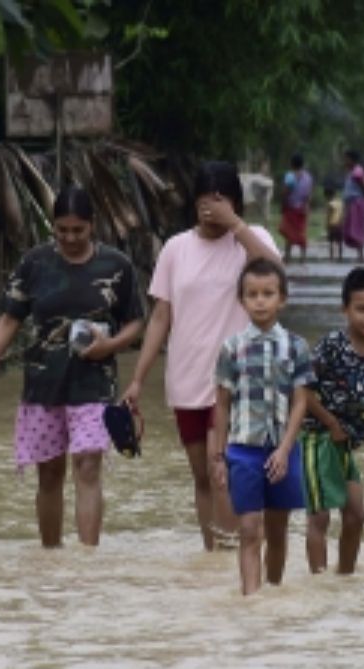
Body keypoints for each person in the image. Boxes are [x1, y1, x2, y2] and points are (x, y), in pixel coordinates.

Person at [0, 187, 144, 548]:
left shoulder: (117, 266)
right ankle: (51, 559)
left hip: (96, 385)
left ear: (92, 226)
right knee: (49, 474)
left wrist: (111, 346)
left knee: (88, 466)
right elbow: (8, 320)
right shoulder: (34, 264)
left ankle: (87, 560)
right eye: (61, 230)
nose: (70, 238)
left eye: (78, 230)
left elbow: (136, 321)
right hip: (43, 385)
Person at [123, 161, 284, 551]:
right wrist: (138, 379)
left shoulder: (251, 240)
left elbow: (277, 276)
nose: (212, 212)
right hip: (187, 377)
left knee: (227, 472)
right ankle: (213, 557)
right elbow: (161, 316)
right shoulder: (176, 249)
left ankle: (238, 554)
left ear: (235, 204)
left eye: (221, 203)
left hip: (241, 379)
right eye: (205, 204)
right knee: (201, 476)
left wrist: (236, 226)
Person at [210, 259, 314, 595]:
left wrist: (285, 449)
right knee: (249, 529)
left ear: (282, 299)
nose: (260, 301)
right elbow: (222, 403)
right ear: (241, 300)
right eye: (252, 294)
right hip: (242, 449)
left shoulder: (297, 347)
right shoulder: (231, 348)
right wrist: (218, 455)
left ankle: (272, 591)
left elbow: (301, 401)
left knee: (278, 530)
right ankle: (251, 601)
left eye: (268, 293)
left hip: (283, 448)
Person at [300, 267, 364, 575]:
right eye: (361, 309)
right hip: (315, 440)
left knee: (356, 516)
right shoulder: (332, 346)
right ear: (345, 310)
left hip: (343, 446)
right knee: (320, 518)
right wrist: (330, 423)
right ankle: (319, 582)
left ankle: (344, 578)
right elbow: (302, 391)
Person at [278, 154, 313, 263]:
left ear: (292, 164)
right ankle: (303, 257)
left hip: (291, 208)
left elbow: (285, 192)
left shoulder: (290, 176)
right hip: (302, 209)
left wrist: (283, 204)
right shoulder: (308, 177)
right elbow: (308, 194)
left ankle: (288, 256)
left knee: (288, 232)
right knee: (301, 231)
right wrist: (307, 206)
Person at [341, 150, 364, 261]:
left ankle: (361, 255)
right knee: (353, 228)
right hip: (352, 202)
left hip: (357, 203)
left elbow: (363, 186)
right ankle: (359, 254)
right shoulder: (351, 172)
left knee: (358, 228)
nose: (345, 161)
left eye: (346, 159)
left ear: (352, 159)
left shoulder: (357, 171)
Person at [325, 187, 344, 261]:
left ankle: (331, 257)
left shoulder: (329, 204)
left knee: (331, 242)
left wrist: (327, 225)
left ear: (327, 196)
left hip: (332, 224)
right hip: (339, 224)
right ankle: (340, 257)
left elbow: (328, 216)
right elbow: (342, 214)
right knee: (340, 242)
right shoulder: (340, 202)